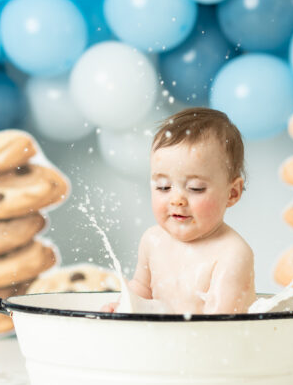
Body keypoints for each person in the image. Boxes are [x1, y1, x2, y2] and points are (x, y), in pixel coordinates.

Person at [105, 107, 256, 315]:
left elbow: (223, 321)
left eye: (196, 188)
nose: (177, 200)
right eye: (163, 187)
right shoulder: (152, 240)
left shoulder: (232, 253)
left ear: (232, 193)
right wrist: (123, 305)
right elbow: (141, 289)